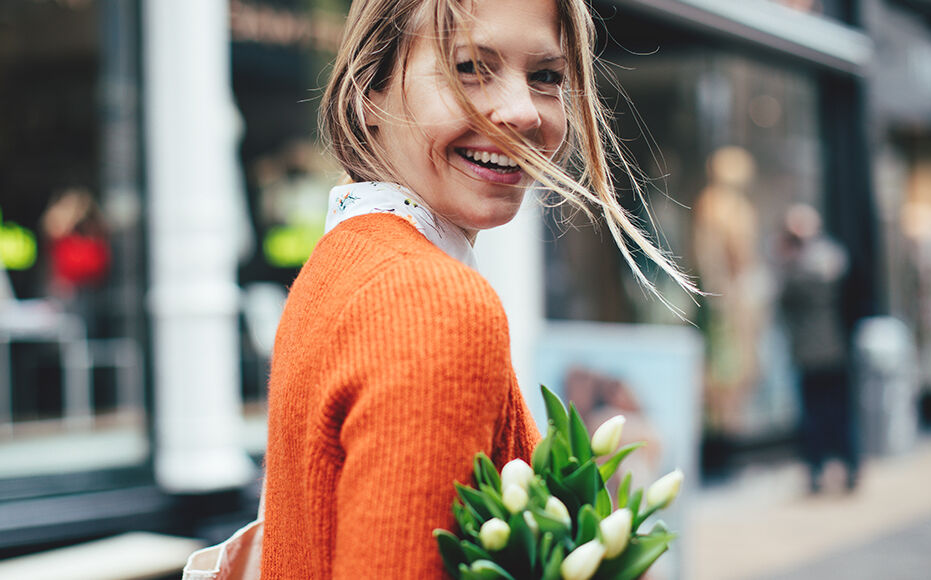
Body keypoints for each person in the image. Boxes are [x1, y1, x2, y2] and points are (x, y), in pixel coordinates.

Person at [259, 0, 697, 577]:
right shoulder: (427, 301)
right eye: (469, 66)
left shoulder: (344, 266)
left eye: (546, 77)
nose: (521, 112)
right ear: (368, 93)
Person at [778, 203, 859, 493]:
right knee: (836, 413)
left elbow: (784, 300)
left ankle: (819, 470)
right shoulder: (834, 259)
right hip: (834, 349)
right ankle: (846, 467)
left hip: (811, 353)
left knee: (816, 415)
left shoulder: (796, 266)